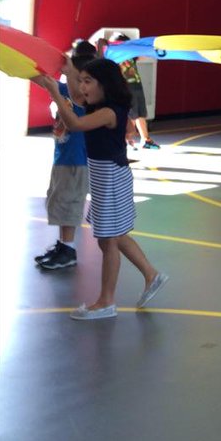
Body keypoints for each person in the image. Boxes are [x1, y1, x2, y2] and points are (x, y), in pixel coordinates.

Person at [35, 58, 168, 320]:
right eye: (81, 81)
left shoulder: (108, 112)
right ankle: (152, 274)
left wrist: (53, 91)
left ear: (104, 84)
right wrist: (69, 73)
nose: (82, 87)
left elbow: (74, 123)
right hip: (103, 178)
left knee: (108, 240)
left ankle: (106, 302)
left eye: (88, 82)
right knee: (114, 236)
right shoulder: (99, 105)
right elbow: (74, 95)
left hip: (110, 179)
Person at [34, 40, 98, 271]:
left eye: (84, 79)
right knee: (59, 202)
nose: (80, 82)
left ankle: (69, 250)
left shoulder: (87, 99)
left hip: (77, 163)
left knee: (69, 205)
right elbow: (40, 80)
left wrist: (70, 72)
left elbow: (75, 93)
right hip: (62, 160)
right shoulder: (64, 91)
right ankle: (63, 245)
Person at [110, 35, 159, 149]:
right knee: (131, 115)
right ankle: (126, 140)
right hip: (126, 87)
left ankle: (145, 139)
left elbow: (142, 56)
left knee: (141, 113)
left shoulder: (132, 56)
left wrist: (139, 47)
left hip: (137, 85)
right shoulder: (114, 57)